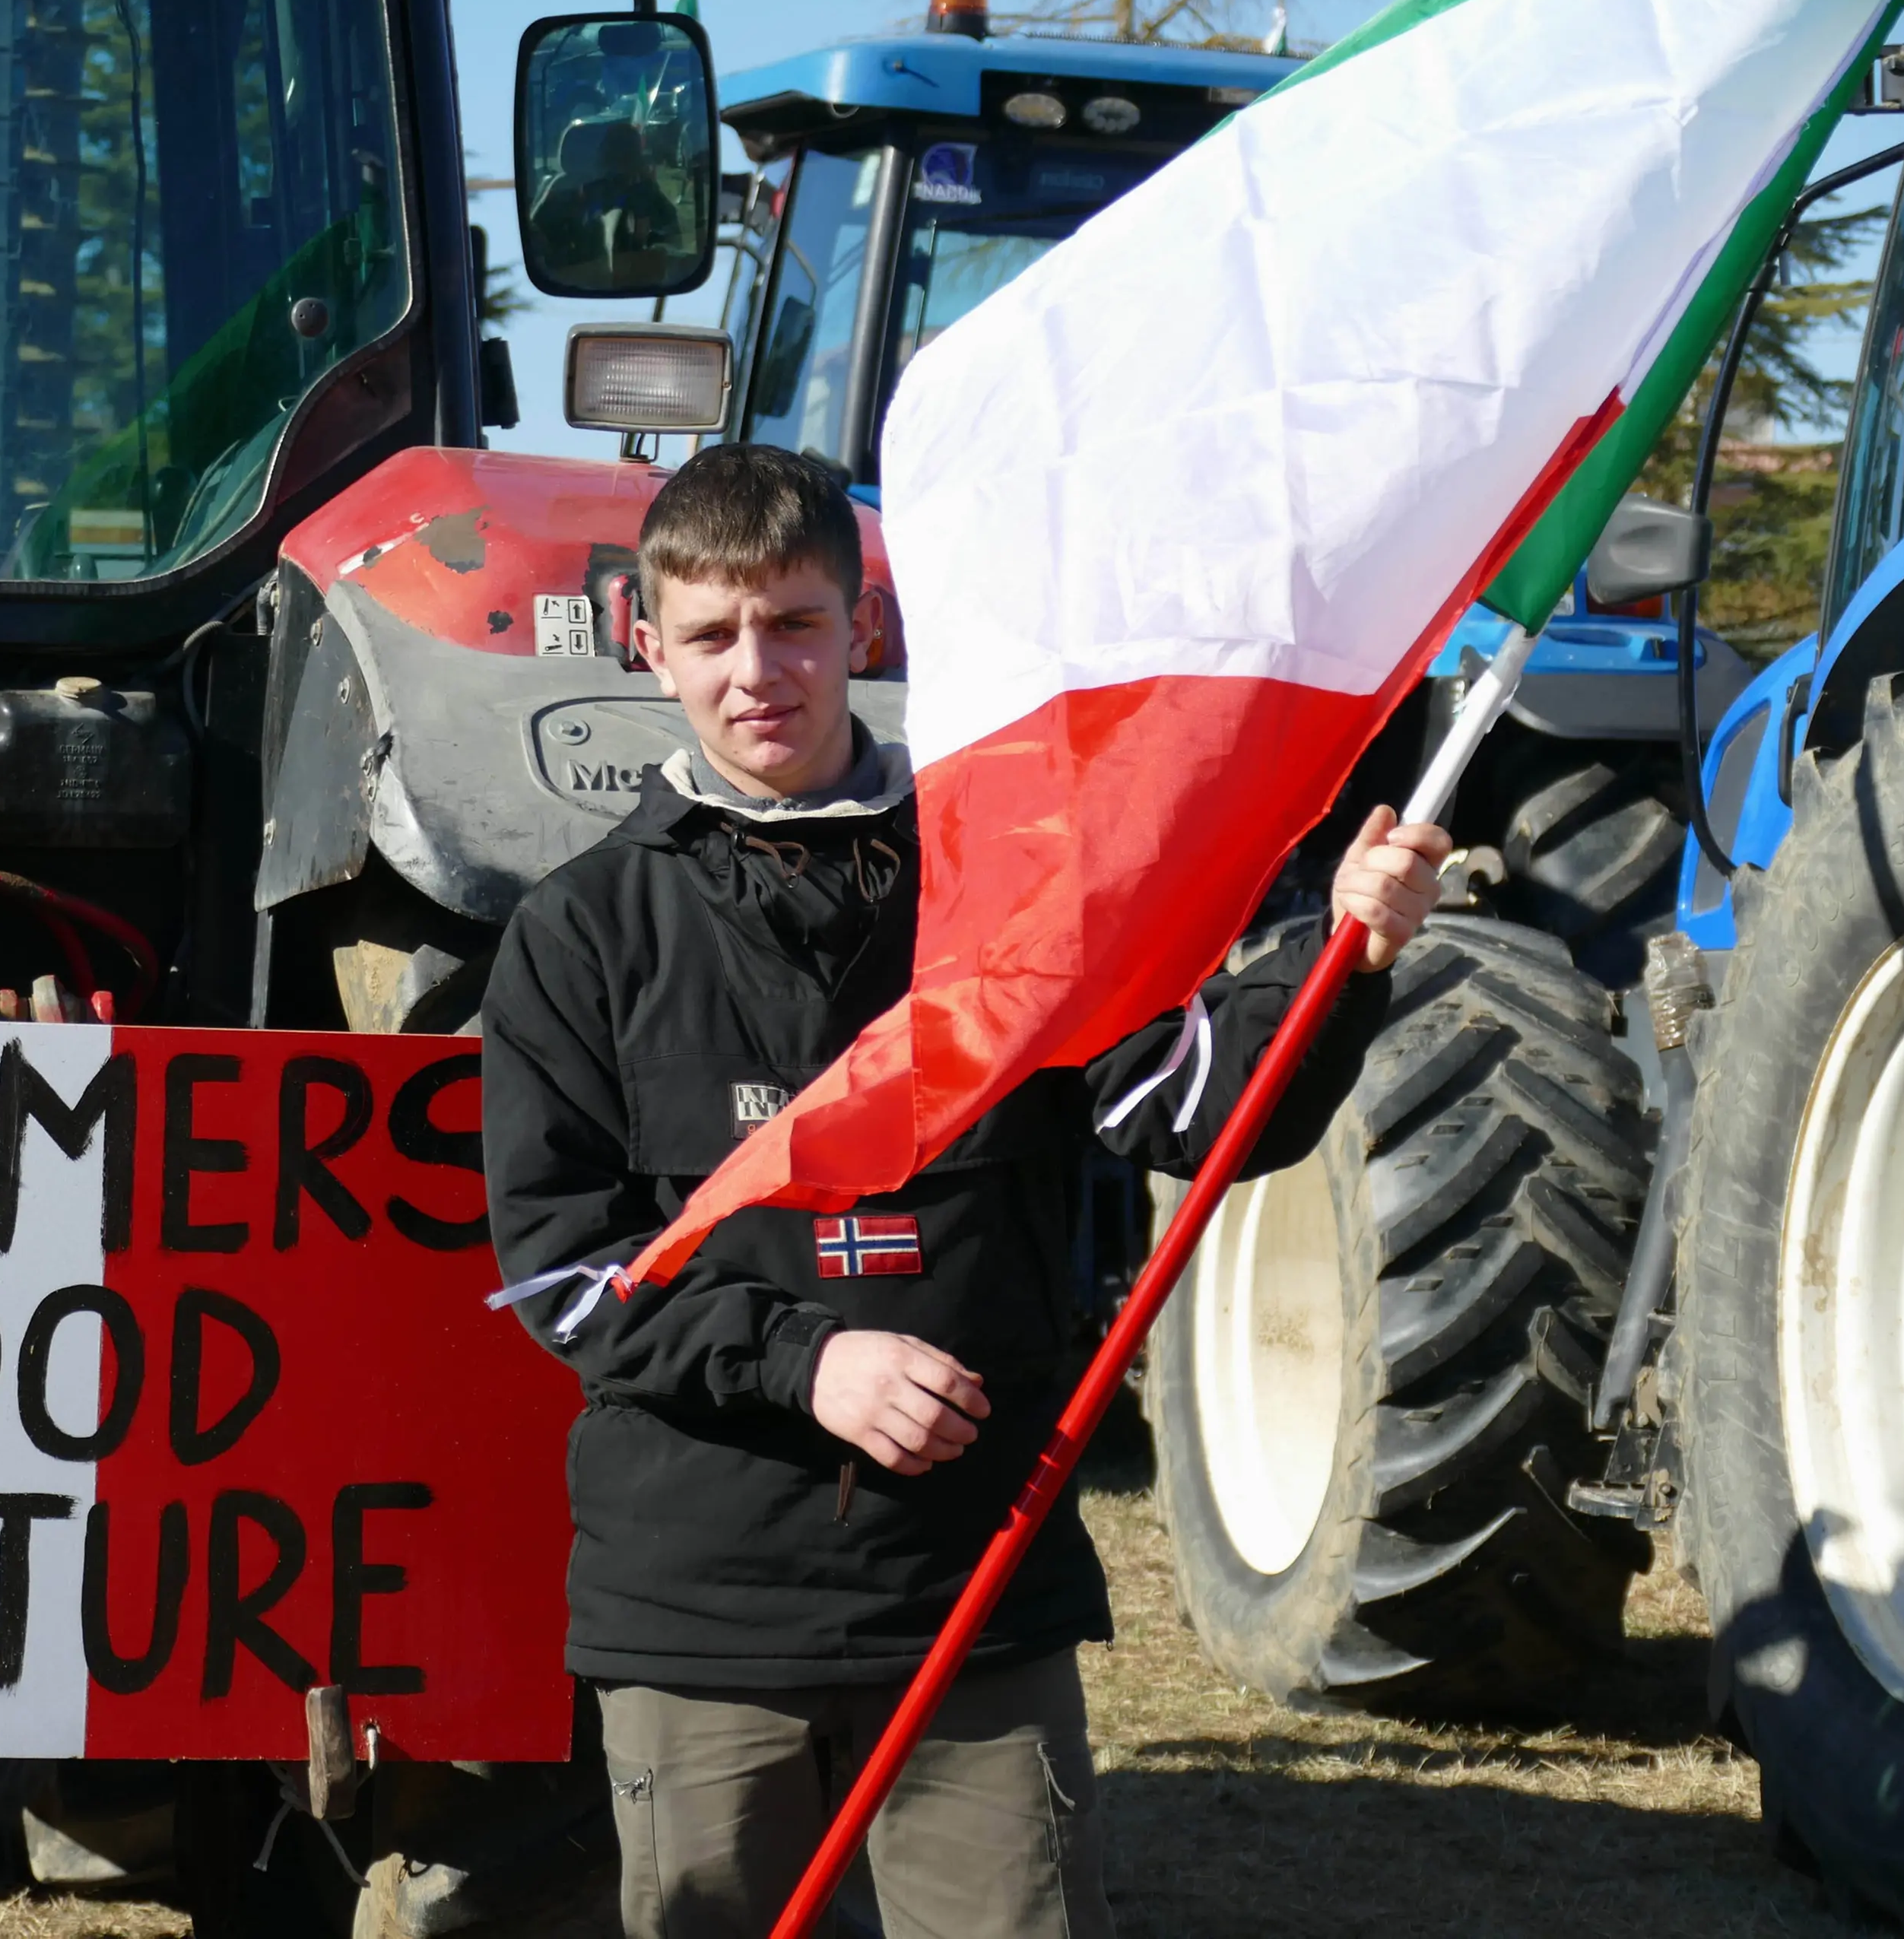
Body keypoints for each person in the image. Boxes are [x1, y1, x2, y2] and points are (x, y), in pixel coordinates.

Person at [480, 443, 1450, 1939]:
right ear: (647, 645)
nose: (760, 673)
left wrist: (1346, 960)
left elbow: (1199, 1107)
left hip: (974, 1601)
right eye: (715, 634)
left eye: (795, 623)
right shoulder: (580, 932)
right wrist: (813, 1359)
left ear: (861, 627)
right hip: (699, 1621)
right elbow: (565, 1275)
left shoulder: (1004, 892)